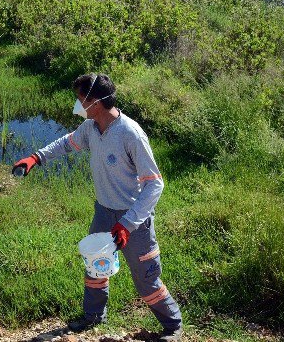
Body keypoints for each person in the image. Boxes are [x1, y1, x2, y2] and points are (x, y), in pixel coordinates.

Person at [12, 73, 183, 342]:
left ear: (96, 102)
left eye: (81, 100)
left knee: (146, 280)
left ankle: (173, 327)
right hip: (104, 213)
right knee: (95, 268)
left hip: (133, 220)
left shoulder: (131, 134)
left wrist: (127, 223)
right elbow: (67, 143)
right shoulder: (91, 128)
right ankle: (93, 317)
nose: (78, 105)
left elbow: (155, 184)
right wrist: (36, 158)